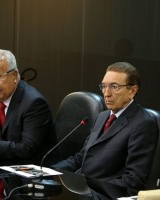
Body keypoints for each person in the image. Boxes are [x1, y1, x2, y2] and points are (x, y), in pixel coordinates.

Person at [52, 62, 158, 196]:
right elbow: (81, 157)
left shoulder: (143, 124)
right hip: (82, 190)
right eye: (104, 86)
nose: (106, 93)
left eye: (114, 87)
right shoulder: (102, 116)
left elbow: (133, 182)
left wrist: (87, 184)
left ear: (132, 90)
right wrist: (51, 171)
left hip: (103, 194)